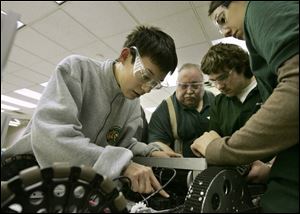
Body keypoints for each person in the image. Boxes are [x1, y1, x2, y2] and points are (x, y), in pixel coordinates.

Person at [2, 25, 179, 197]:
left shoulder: (132, 105)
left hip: (68, 187)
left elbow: (122, 144)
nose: (146, 88)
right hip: (25, 176)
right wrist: (121, 163)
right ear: (125, 56)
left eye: (154, 84)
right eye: (145, 76)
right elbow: (52, 138)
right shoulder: (76, 69)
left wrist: (150, 151)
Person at [191, 1, 298, 212]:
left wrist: (219, 149)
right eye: (214, 81)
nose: (226, 31)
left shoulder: (260, 8)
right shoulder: (220, 101)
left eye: (223, 19)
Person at [197, 42, 274, 179]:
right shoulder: (219, 101)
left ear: (242, 66)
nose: (219, 86)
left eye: (223, 77)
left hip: (275, 176)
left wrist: (270, 169)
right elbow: (214, 136)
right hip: (235, 178)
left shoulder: (270, 89)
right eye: (213, 81)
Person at [148, 63, 215, 157]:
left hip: (216, 164)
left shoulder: (216, 102)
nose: (189, 91)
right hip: (182, 167)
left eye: (195, 86)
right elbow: (157, 141)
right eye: (184, 86)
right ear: (177, 85)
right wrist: (175, 159)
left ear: (203, 85)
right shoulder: (165, 109)